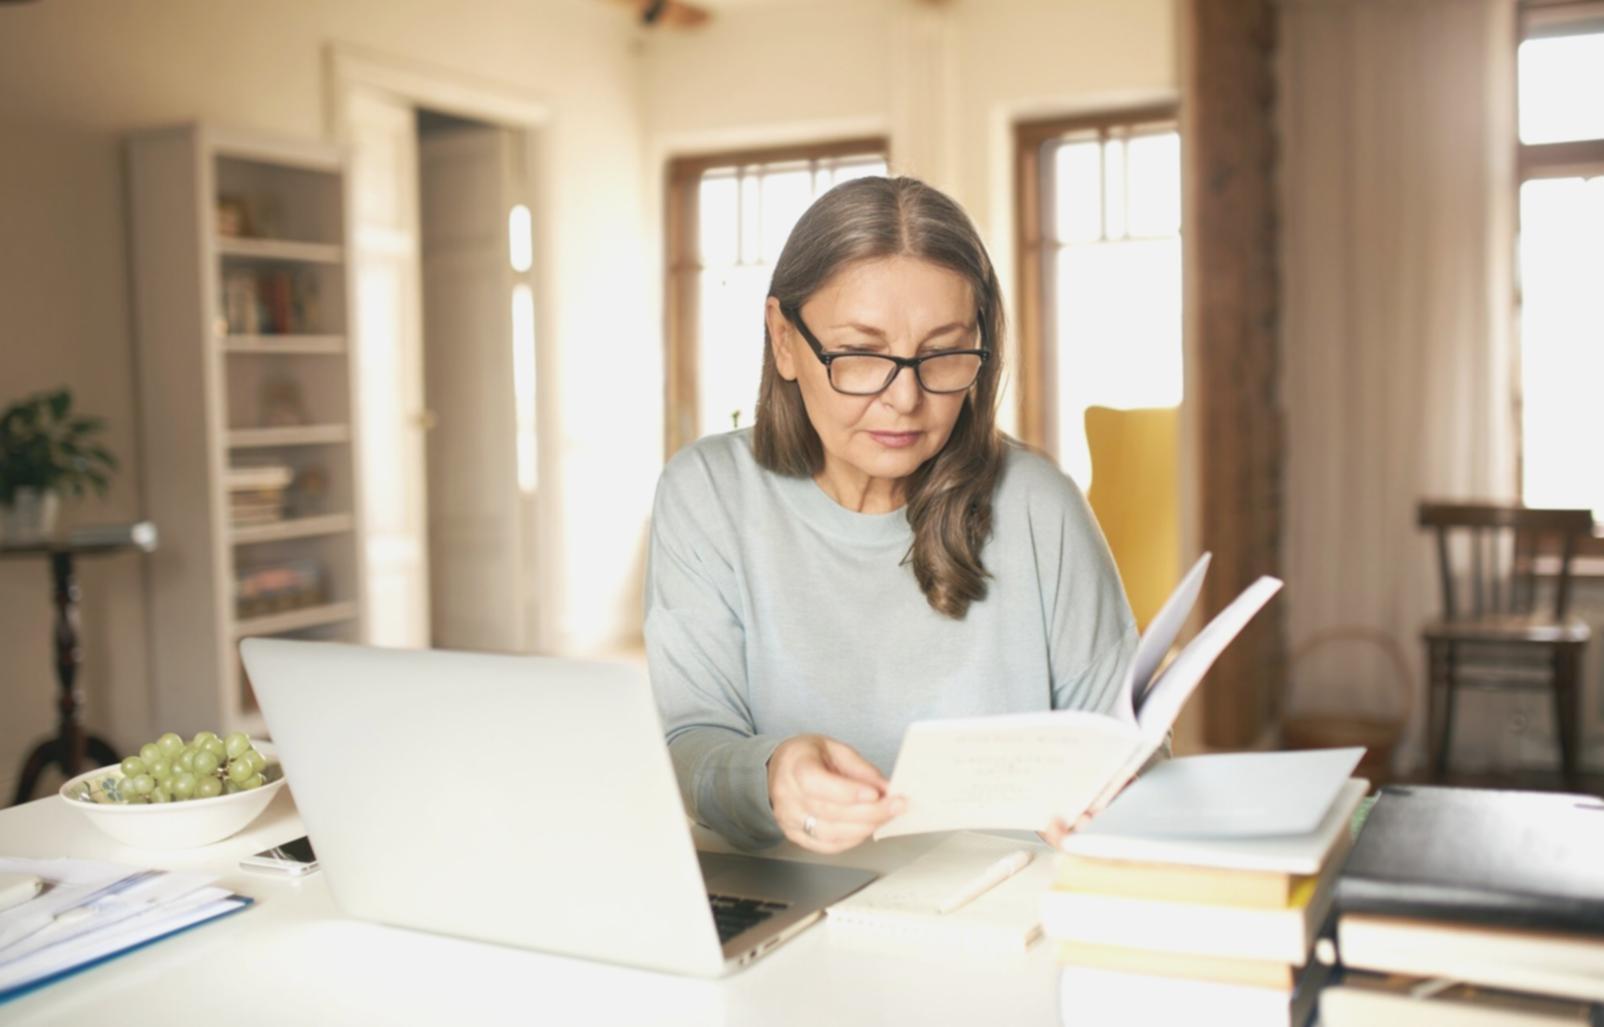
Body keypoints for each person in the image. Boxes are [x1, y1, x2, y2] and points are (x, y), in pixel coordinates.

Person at [645, 175, 1138, 854]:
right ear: (784, 340)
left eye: (942, 353)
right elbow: (688, 745)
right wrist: (773, 775)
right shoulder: (707, 493)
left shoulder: (1037, 504)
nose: (905, 398)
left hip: (1008, 906)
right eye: (862, 354)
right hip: (795, 903)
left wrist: (1116, 796)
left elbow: (1129, 740)